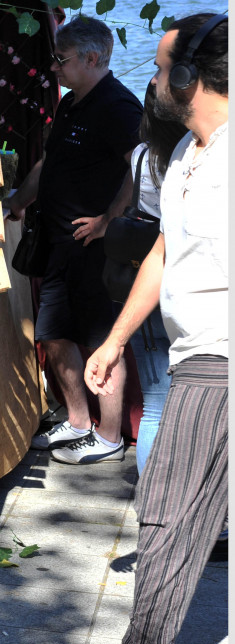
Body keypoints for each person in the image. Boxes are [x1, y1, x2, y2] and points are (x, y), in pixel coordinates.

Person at [82, 13, 227, 644]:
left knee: (165, 514)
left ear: (192, 77)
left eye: (165, 67)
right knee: (173, 515)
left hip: (218, 364)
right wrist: (114, 341)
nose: (154, 76)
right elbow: (163, 253)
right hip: (195, 355)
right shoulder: (184, 157)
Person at [6, 15, 142, 464]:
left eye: (61, 60)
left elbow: (140, 167)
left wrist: (108, 219)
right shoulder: (70, 104)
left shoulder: (118, 105)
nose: (54, 68)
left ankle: (108, 437)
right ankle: (79, 421)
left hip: (96, 250)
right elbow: (50, 162)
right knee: (54, 333)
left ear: (91, 57)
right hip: (59, 244)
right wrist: (19, 201)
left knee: (102, 341)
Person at [95, 82, 188, 475]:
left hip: (137, 276)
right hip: (175, 276)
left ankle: (150, 495)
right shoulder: (186, 161)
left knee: (154, 401)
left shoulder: (140, 155)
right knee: (175, 399)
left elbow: (125, 204)